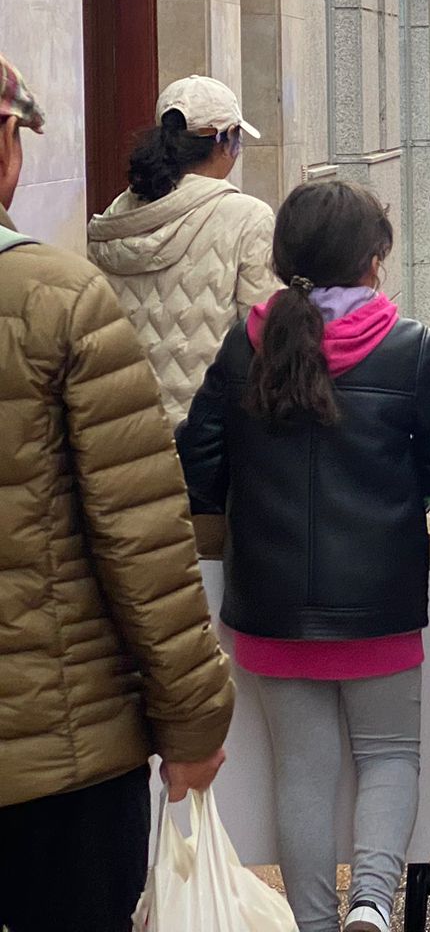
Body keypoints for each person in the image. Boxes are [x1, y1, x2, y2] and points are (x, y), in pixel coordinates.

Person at [180, 181, 430, 932]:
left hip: (269, 606)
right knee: (391, 756)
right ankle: (372, 904)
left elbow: (198, 461)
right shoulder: (408, 350)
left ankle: (314, 924)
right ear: (374, 262)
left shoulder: (245, 347)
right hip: (379, 603)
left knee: (300, 775)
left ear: (286, 262)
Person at [0, 54, 235, 932]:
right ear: (7, 151)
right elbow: (139, 541)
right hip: (62, 757)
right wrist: (194, 719)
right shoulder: (57, 299)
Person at [87, 75, 278, 429]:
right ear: (227, 141)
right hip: (208, 430)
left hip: (125, 426)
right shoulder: (248, 218)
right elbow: (263, 336)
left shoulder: (119, 212)